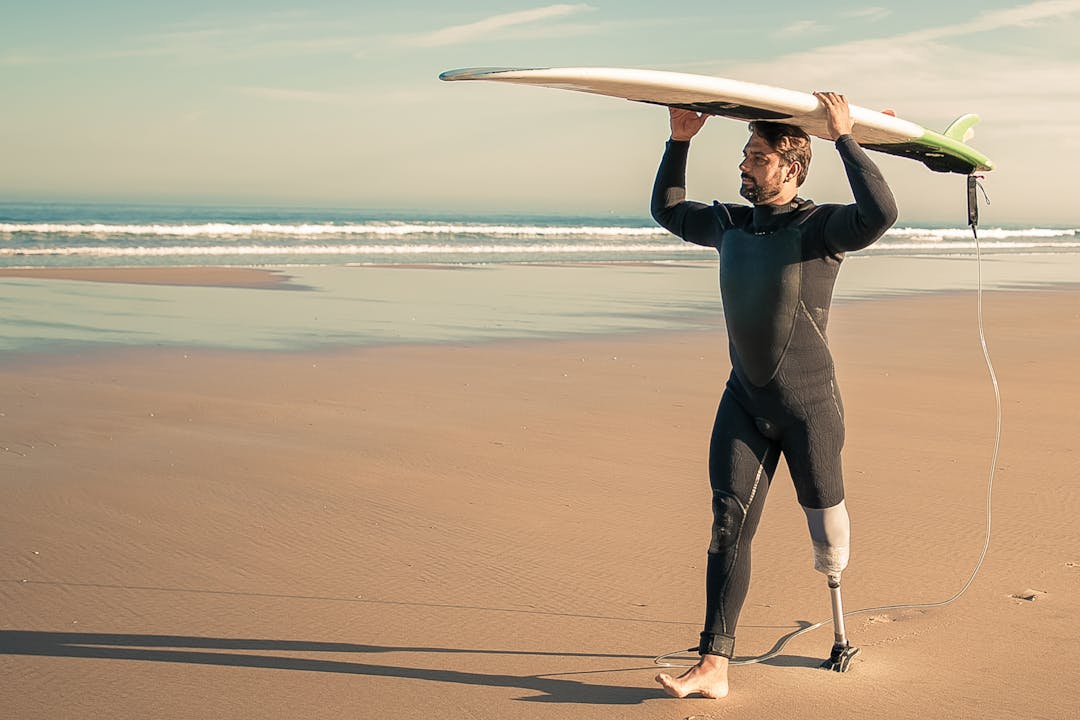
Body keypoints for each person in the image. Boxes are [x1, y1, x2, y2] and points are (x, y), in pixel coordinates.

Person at [651, 93, 898, 699]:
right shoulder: (727, 224)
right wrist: (679, 140)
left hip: (811, 411)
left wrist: (845, 137)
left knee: (827, 539)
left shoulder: (822, 229)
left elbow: (882, 212)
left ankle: (838, 618)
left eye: (756, 156)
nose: (743, 165)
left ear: (791, 165)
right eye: (744, 154)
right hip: (744, 402)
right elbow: (667, 209)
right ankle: (713, 664)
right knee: (726, 526)